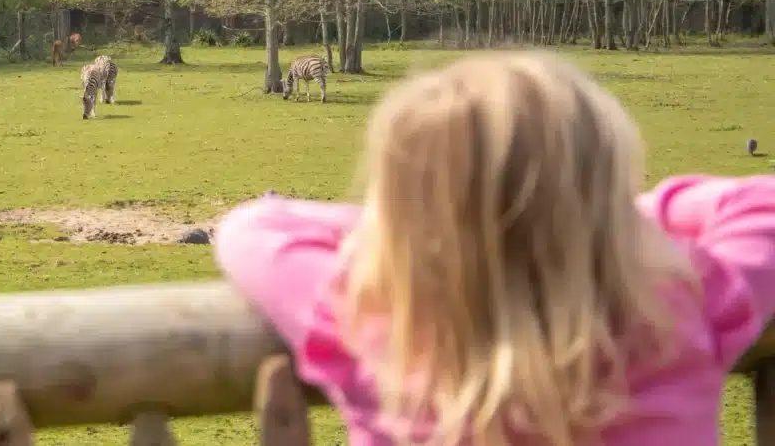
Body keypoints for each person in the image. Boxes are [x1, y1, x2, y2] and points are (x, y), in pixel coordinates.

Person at [213, 52, 775, 446]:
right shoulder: (683, 306)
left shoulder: (373, 316)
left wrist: (427, 225)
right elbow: (763, 202)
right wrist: (601, 218)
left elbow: (255, 228)